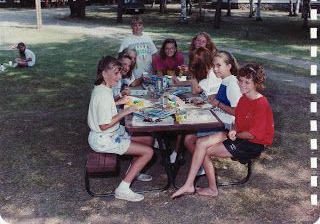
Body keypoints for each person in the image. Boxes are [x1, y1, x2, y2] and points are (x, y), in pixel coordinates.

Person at [171, 63, 274, 199]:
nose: (242, 84)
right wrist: (233, 129)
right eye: (240, 81)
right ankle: (189, 185)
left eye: (247, 82)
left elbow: (253, 134)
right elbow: (238, 120)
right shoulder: (244, 98)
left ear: (257, 83)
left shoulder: (261, 103)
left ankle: (212, 189)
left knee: (204, 151)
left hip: (251, 143)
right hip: (238, 135)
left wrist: (235, 133)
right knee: (201, 143)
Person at [87, 56, 154, 202]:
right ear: (104, 73)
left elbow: (106, 109)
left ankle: (134, 171)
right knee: (148, 152)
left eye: (120, 72)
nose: (120, 76)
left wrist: (120, 101)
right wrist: (126, 111)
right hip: (104, 138)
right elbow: (104, 125)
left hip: (108, 134)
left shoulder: (102, 88)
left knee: (147, 139)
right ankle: (123, 188)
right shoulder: (103, 95)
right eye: (116, 73)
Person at [183, 51, 242, 161]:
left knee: (189, 139)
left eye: (219, 65)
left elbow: (237, 112)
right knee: (187, 133)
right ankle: (202, 164)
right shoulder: (225, 81)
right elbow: (222, 98)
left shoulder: (232, 83)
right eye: (213, 66)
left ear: (229, 66)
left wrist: (218, 103)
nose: (215, 69)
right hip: (217, 119)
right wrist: (211, 99)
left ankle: (202, 164)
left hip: (225, 125)